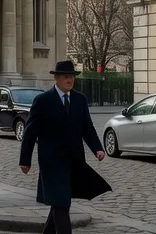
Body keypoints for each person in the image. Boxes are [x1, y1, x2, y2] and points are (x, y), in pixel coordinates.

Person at [18, 61, 111, 234]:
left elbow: (87, 128)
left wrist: (97, 148)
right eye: (66, 76)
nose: (70, 80)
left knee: (60, 203)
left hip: (74, 162)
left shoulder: (80, 99)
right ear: (57, 78)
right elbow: (30, 133)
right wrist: (25, 161)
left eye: (72, 76)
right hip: (51, 163)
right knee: (61, 204)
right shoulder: (43, 101)